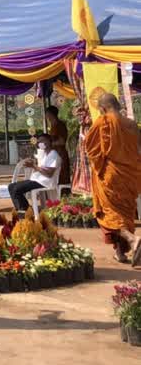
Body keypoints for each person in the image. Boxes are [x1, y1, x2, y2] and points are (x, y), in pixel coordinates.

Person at [84, 93, 141, 266]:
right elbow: (138, 149)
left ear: (102, 108)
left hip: (110, 174)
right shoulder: (132, 124)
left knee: (111, 214)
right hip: (130, 174)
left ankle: (132, 239)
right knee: (125, 212)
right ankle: (120, 253)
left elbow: (92, 150)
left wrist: (98, 165)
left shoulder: (103, 122)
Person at [7, 134, 61, 213]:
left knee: (16, 189)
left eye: (43, 141)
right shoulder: (46, 155)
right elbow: (41, 169)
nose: (41, 143)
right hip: (38, 180)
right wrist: (33, 165)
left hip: (45, 182)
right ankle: (25, 211)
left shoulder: (53, 155)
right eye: (39, 142)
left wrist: (34, 166)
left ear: (49, 141)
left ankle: (25, 213)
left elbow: (49, 174)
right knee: (11, 186)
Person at [46, 105, 71, 186]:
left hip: (60, 154)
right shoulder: (53, 126)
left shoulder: (59, 125)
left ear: (51, 114)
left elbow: (62, 141)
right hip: (54, 153)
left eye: (47, 115)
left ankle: (64, 195)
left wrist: (50, 144)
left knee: (62, 175)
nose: (47, 117)